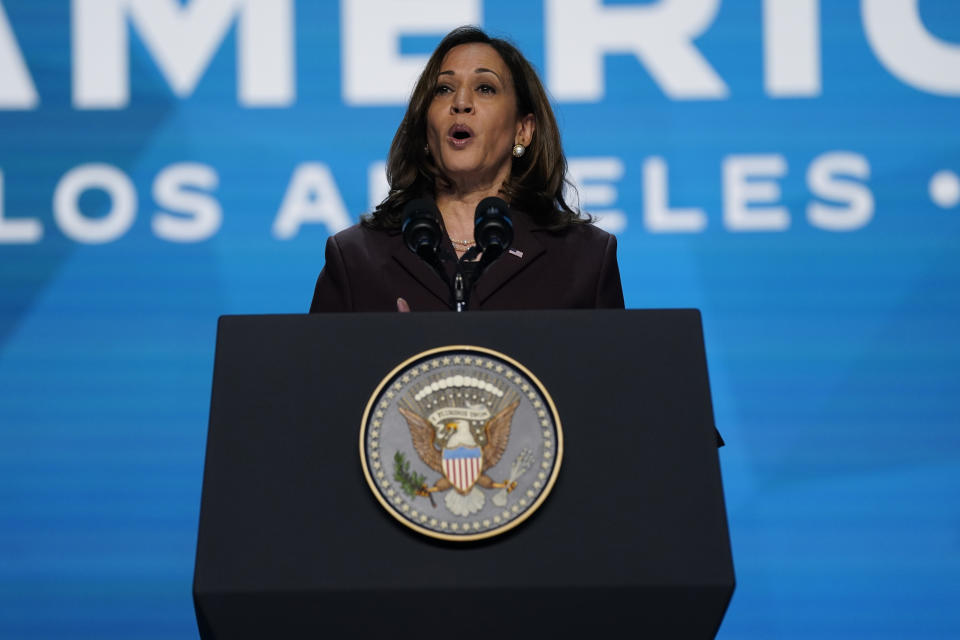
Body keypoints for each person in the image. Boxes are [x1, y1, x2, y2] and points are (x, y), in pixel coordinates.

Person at [309, 26, 624, 313]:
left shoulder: (585, 260)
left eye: (485, 88)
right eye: (443, 89)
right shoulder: (355, 260)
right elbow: (318, 374)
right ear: (425, 128)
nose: (461, 102)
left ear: (523, 131)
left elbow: (609, 375)